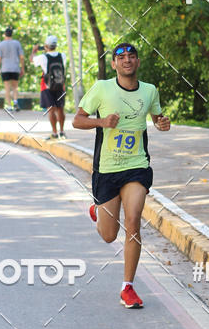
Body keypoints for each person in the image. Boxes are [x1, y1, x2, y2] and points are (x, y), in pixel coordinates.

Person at [73, 42, 170, 308]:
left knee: (135, 221)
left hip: (137, 165)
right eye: (121, 57)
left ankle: (128, 287)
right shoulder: (102, 88)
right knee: (108, 235)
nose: (127, 60)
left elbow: (158, 118)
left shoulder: (150, 91)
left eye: (132, 56)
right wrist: (102, 122)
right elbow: (78, 120)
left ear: (138, 62)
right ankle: (98, 210)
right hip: (107, 169)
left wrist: (163, 123)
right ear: (114, 64)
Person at [31, 35, 67, 140]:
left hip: (47, 86)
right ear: (56, 45)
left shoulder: (43, 57)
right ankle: (62, 131)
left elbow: (32, 60)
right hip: (60, 85)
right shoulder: (62, 56)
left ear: (46, 45)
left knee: (51, 110)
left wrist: (34, 51)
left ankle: (54, 133)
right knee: (60, 109)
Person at [0, 27, 24, 112]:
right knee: (15, 87)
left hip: (5, 68)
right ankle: (15, 102)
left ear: (5, 34)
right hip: (15, 67)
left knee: (7, 88)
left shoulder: (1, 44)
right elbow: (21, 57)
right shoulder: (17, 43)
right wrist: (22, 68)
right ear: (12, 34)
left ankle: (9, 105)